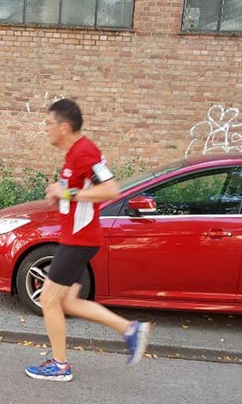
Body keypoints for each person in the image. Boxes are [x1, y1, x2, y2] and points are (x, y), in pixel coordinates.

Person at [25, 98, 151, 382]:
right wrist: (60, 194)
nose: (45, 128)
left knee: (47, 299)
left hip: (79, 240)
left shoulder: (85, 151)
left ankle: (60, 366)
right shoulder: (75, 154)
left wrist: (67, 193)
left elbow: (111, 190)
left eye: (48, 123)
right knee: (67, 302)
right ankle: (130, 329)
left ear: (64, 127)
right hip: (77, 238)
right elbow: (77, 191)